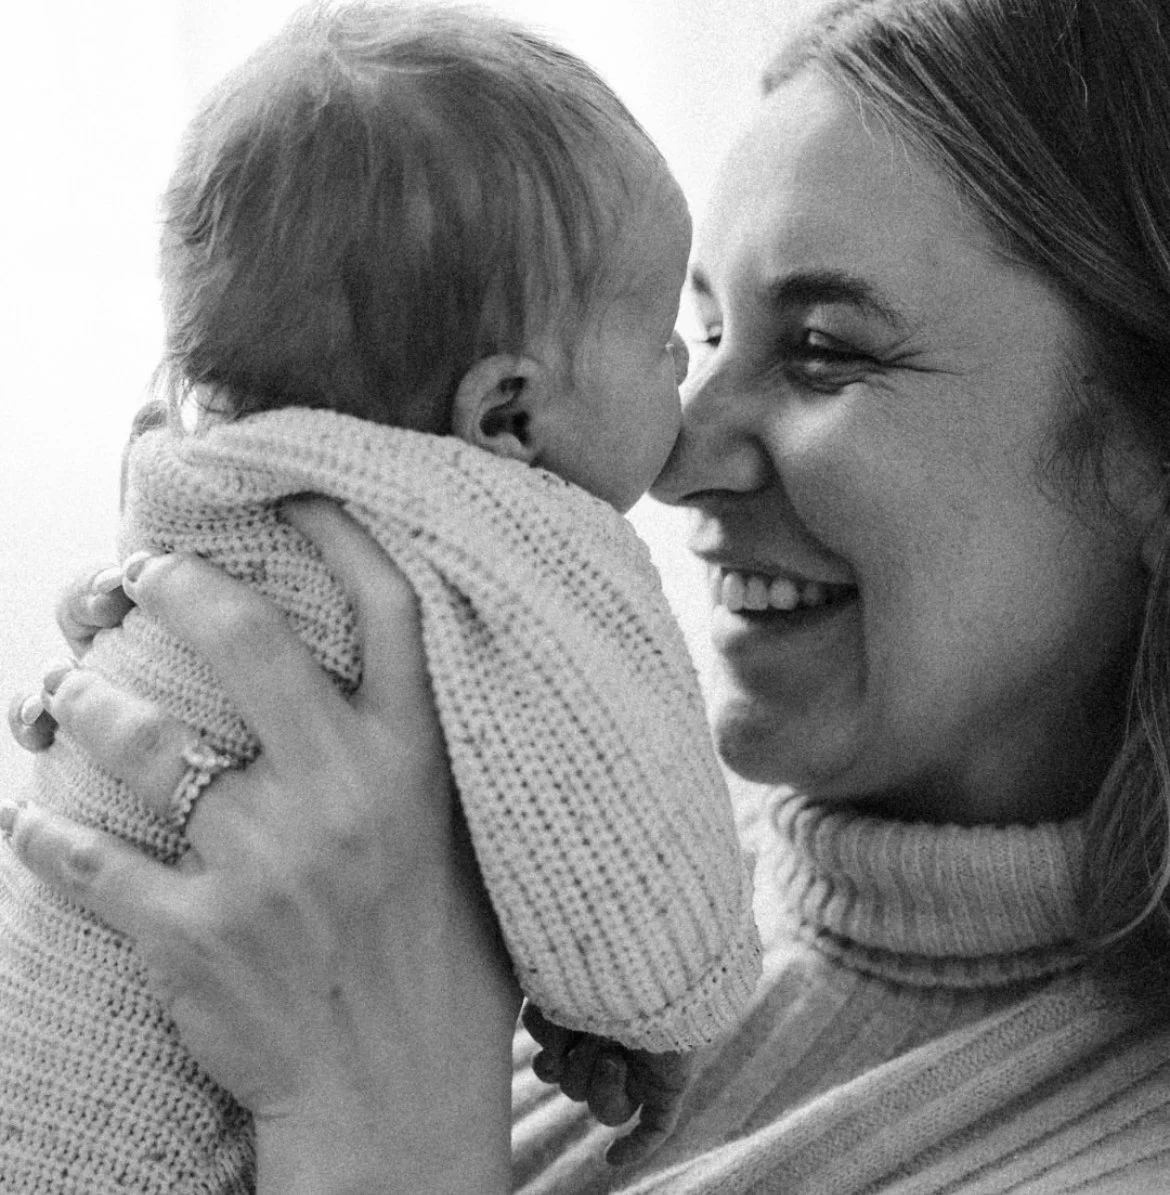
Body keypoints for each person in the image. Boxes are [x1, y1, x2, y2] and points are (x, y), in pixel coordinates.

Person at [9, 0, 1170, 1189]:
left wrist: (369, 1112)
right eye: (699, 333)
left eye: (825, 348)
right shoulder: (526, 877)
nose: (676, 456)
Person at [0, 3, 765, 1191]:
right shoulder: (535, 552)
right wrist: (665, 1019)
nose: (693, 378)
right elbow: (645, 877)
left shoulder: (196, 485)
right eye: (677, 328)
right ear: (505, 415)